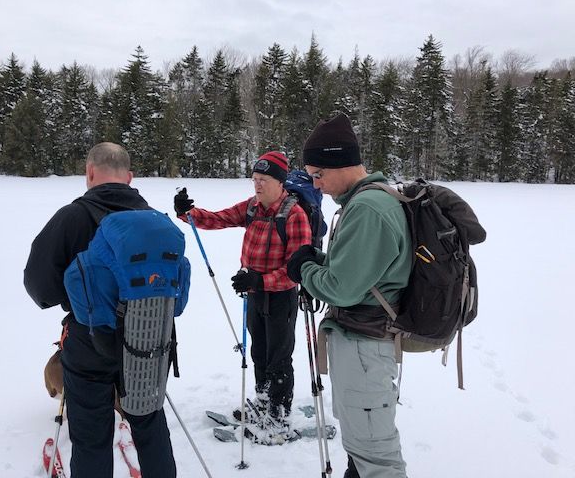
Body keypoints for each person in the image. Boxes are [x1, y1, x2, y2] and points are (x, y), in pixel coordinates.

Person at [24, 142, 176, 478]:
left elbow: (39, 287)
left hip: (89, 341)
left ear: (90, 172)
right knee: (149, 424)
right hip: (151, 338)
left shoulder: (71, 218)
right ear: (130, 177)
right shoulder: (155, 220)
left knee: (91, 436)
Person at [287, 114, 412, 477]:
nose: (316, 184)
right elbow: (363, 270)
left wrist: (305, 270)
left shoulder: (368, 209)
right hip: (362, 346)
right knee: (362, 450)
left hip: (365, 348)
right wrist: (319, 259)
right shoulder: (368, 201)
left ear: (341, 162)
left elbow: (341, 288)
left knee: (377, 460)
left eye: (318, 174)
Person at [173, 151, 312, 440]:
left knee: (278, 357)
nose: (257, 185)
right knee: (258, 352)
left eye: (263, 180)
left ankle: (279, 415)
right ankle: (263, 402)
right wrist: (188, 213)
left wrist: (261, 280)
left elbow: (297, 270)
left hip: (281, 297)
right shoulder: (252, 208)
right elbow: (219, 218)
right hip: (254, 294)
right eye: (254, 179)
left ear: (280, 182)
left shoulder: (294, 215)